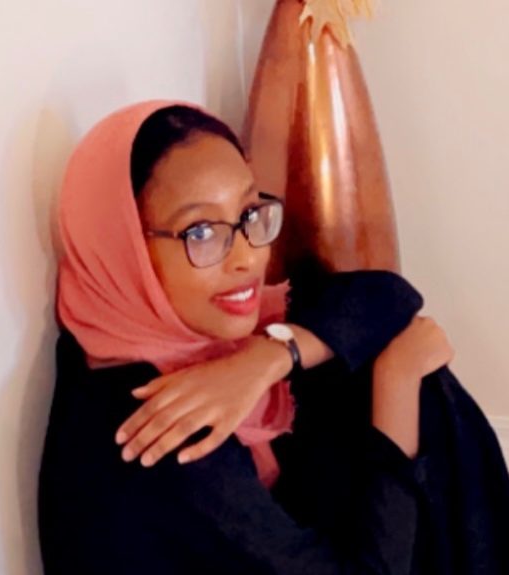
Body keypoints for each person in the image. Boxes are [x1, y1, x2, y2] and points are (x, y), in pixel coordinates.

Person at [38, 99, 454, 574]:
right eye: (200, 232)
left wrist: (266, 358)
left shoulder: (109, 336)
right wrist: (397, 382)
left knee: (360, 365)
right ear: (123, 245)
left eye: (249, 212)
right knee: (418, 393)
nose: (247, 258)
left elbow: (385, 295)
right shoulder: (169, 434)